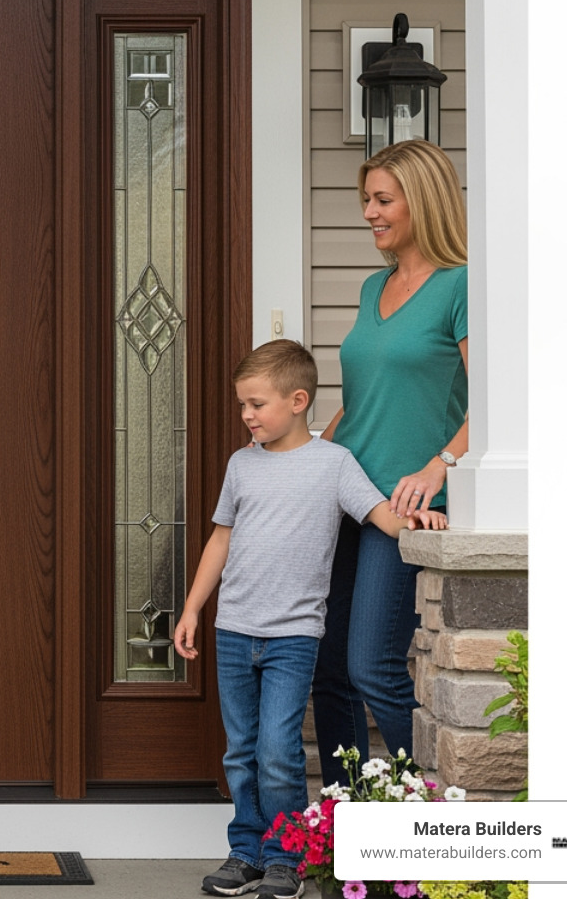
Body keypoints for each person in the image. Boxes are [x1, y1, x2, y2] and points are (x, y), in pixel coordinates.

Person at [174, 339, 446, 899]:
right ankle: (246, 850)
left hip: (294, 635)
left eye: (257, 404)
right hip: (234, 630)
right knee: (241, 749)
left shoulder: (333, 463)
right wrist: (193, 607)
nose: (247, 416)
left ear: (298, 400)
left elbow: (379, 516)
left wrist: (418, 519)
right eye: (242, 406)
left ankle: (286, 854)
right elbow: (221, 537)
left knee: (277, 748)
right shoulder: (241, 465)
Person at [311, 139, 469, 787]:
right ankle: (343, 819)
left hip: (402, 508)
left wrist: (441, 466)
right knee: (328, 666)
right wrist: (310, 456)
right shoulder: (374, 284)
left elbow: (501, 401)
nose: (370, 213)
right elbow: (361, 402)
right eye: (365, 201)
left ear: (421, 202)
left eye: (383, 199)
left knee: (372, 662)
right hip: (346, 492)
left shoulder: (461, 286)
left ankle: (427, 804)